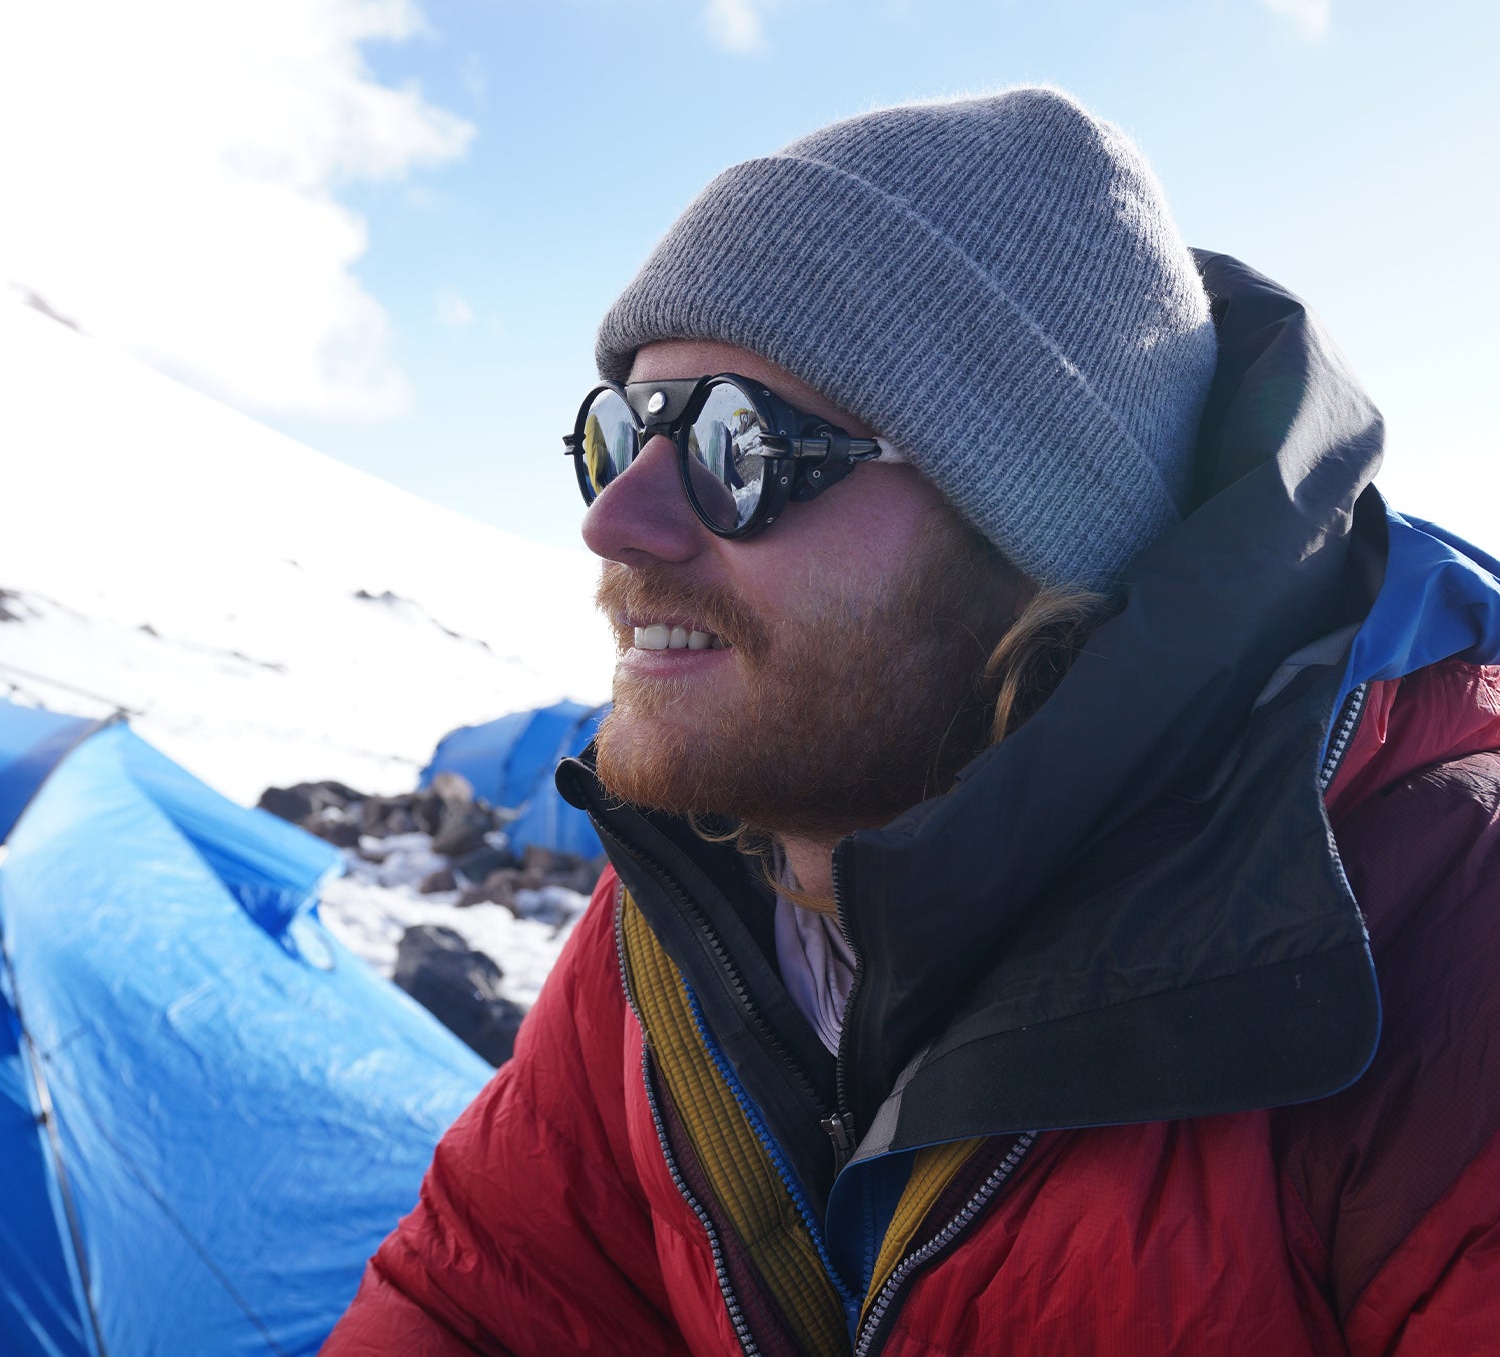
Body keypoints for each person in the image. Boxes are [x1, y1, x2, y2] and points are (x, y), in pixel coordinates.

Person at [324, 88, 1500, 1355]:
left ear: (1036, 535)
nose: (615, 521)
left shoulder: (1439, 923)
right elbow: (480, 1305)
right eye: (621, 434)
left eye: (742, 445)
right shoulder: (681, 922)